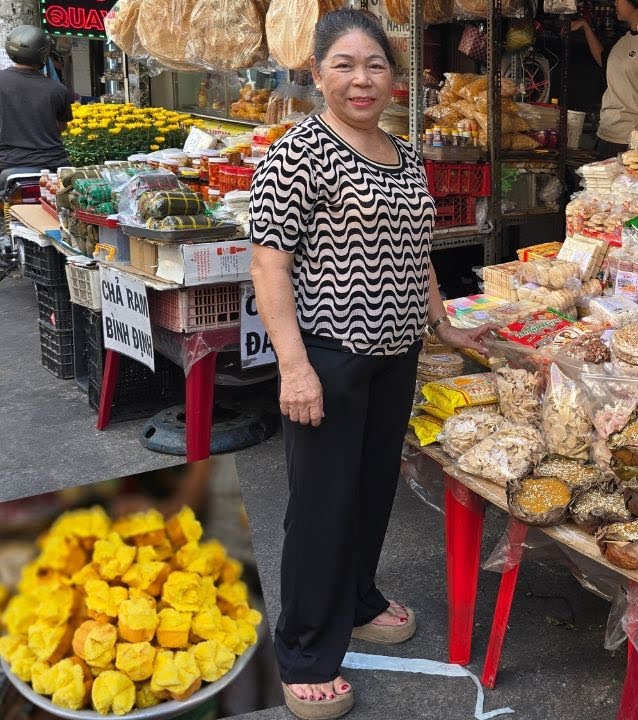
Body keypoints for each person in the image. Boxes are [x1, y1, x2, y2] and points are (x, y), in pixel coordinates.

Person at [248, 9, 491, 719]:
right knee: (322, 506)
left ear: (396, 77)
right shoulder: (300, 152)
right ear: (318, 72)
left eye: (376, 65)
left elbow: (414, 248)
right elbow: (268, 262)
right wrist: (293, 368)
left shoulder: (404, 152)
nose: (362, 80)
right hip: (327, 356)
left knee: (371, 489)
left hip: (394, 356)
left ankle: (356, 598)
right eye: (346, 65)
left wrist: (442, 323)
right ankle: (303, 651)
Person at [573, 0, 638, 158]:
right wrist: (585, 27)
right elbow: (604, 61)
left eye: (619, 0)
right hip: (606, 133)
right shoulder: (621, 39)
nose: (615, 3)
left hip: (632, 139)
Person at [0, 25, 73, 181]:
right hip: (54, 165)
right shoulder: (58, 89)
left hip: (7, 163)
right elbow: (61, 126)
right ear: (44, 54)